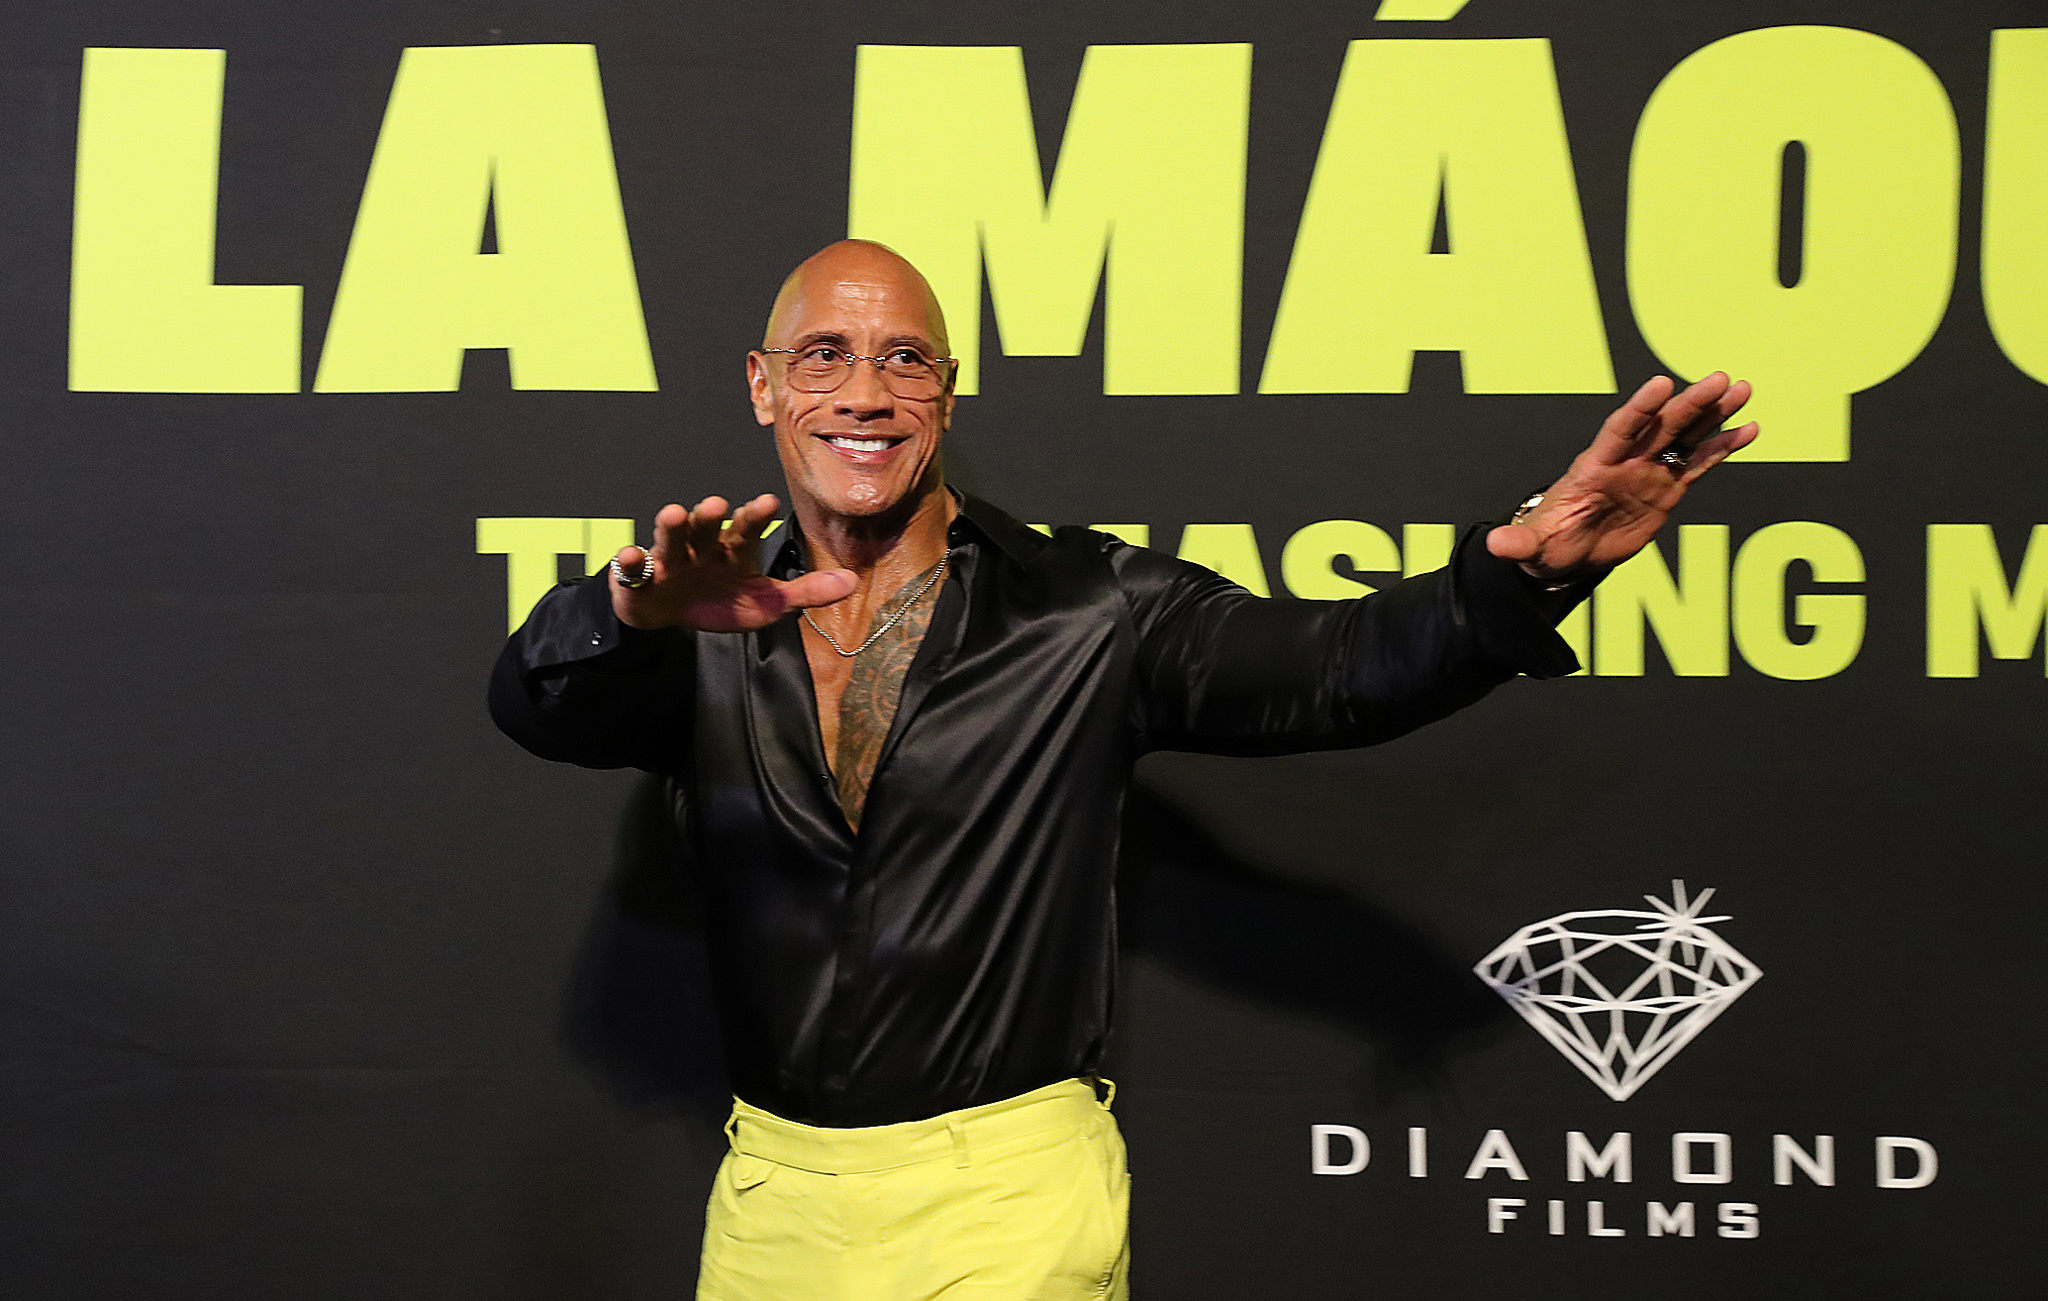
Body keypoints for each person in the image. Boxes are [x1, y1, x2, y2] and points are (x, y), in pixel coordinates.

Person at [489, 239, 1757, 1300]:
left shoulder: (1087, 606)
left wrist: (1522, 570)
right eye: (825, 355)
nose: (864, 392)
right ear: (763, 387)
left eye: (904, 359)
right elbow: (533, 707)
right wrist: (626, 615)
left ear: (947, 396)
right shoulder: (696, 613)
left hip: (1006, 1194)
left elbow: (1341, 667)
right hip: (773, 1194)